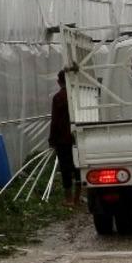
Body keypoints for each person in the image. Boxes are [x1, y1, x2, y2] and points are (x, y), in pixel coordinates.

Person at [49, 69, 81, 207]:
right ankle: (77, 198)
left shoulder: (58, 97)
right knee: (78, 167)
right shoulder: (77, 94)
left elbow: (55, 120)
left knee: (66, 169)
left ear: (59, 81)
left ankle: (68, 200)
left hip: (63, 140)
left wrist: (52, 139)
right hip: (78, 138)